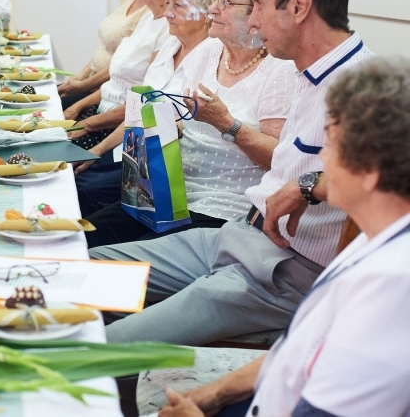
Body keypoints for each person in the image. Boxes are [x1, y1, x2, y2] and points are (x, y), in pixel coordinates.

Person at [90, 0, 375, 346]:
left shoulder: (365, 84)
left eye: (257, 4)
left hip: (282, 270)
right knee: (72, 270)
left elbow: (390, 180)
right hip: (237, 238)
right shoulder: (306, 73)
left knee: (110, 344)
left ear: (299, 5)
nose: (253, 21)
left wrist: (307, 184)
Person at [158, 56, 410, 417]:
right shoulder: (377, 237)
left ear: (370, 171)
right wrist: (214, 393)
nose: (321, 157)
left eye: (333, 144)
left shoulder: (390, 288)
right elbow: (296, 350)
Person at [83, 0, 296, 245]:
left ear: (256, 10)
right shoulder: (209, 51)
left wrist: (226, 123)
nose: (212, 10)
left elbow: (278, 160)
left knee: (116, 254)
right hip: (169, 192)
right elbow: (181, 120)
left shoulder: (279, 69)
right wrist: (158, 127)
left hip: (222, 206)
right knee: (85, 236)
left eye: (225, 2)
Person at [63, 0, 190, 152]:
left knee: (62, 160)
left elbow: (142, 103)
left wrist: (88, 122)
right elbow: (115, 82)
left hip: (117, 125)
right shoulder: (149, 18)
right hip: (104, 112)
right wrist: (79, 106)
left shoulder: (170, 30)